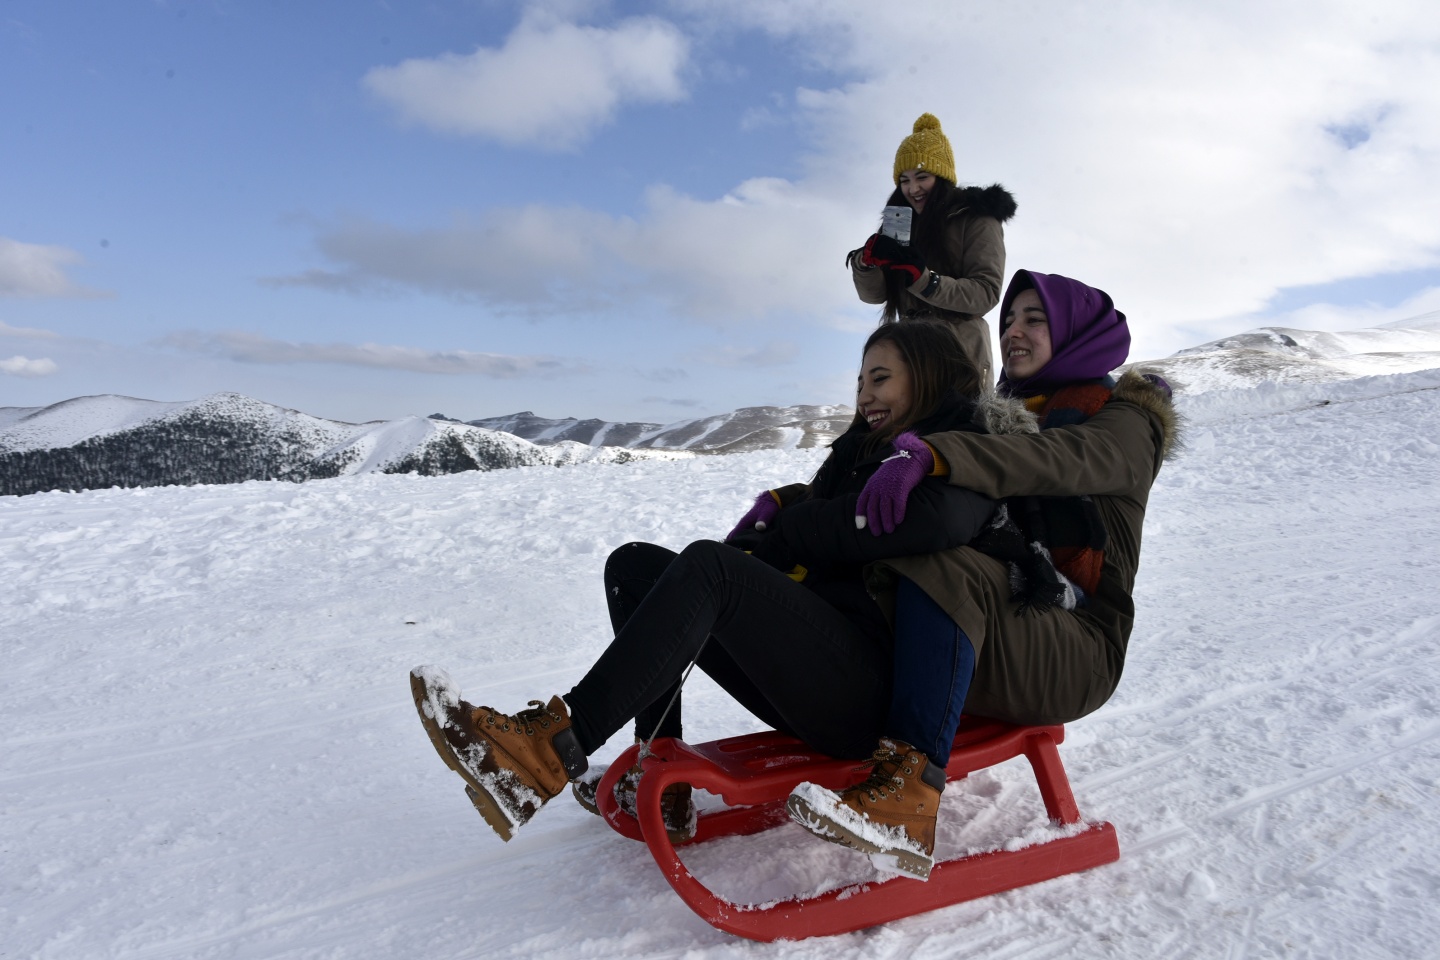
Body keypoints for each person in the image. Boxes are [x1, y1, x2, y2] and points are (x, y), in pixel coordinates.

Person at [410, 322, 1038, 848]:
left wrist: (788, 532)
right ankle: (663, 774)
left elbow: (919, 523)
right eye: (859, 381)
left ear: (926, 378)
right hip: (822, 663)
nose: (865, 395)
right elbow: (824, 537)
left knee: (713, 569)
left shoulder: (959, 450)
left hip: (876, 700)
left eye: (881, 379)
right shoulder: (861, 452)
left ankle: (547, 750)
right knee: (635, 566)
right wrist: (779, 526)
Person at [788, 270, 1178, 879]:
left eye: (1034, 319)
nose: (1014, 332)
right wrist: (789, 505)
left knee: (942, 559)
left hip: (1078, 645)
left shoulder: (1125, 423)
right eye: (1009, 320)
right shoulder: (1002, 417)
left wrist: (942, 455)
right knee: (905, 542)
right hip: (1008, 622)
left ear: (1077, 330)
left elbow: (1059, 460)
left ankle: (908, 798)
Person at [849, 113, 1017, 384]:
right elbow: (874, 296)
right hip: (908, 354)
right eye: (904, 180)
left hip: (959, 356)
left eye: (922, 177)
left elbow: (985, 293)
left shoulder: (977, 217)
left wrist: (926, 281)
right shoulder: (899, 223)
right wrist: (865, 264)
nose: (912, 188)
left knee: (954, 428)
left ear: (942, 176)